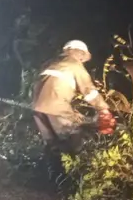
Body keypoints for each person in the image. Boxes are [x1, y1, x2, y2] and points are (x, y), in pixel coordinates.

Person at [31, 40, 117, 182]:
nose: (82, 60)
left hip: (37, 108)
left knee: (53, 144)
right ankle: (78, 180)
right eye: (82, 56)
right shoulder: (74, 65)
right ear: (75, 52)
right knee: (76, 134)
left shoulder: (50, 63)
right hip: (56, 106)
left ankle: (53, 180)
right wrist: (104, 109)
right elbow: (89, 92)